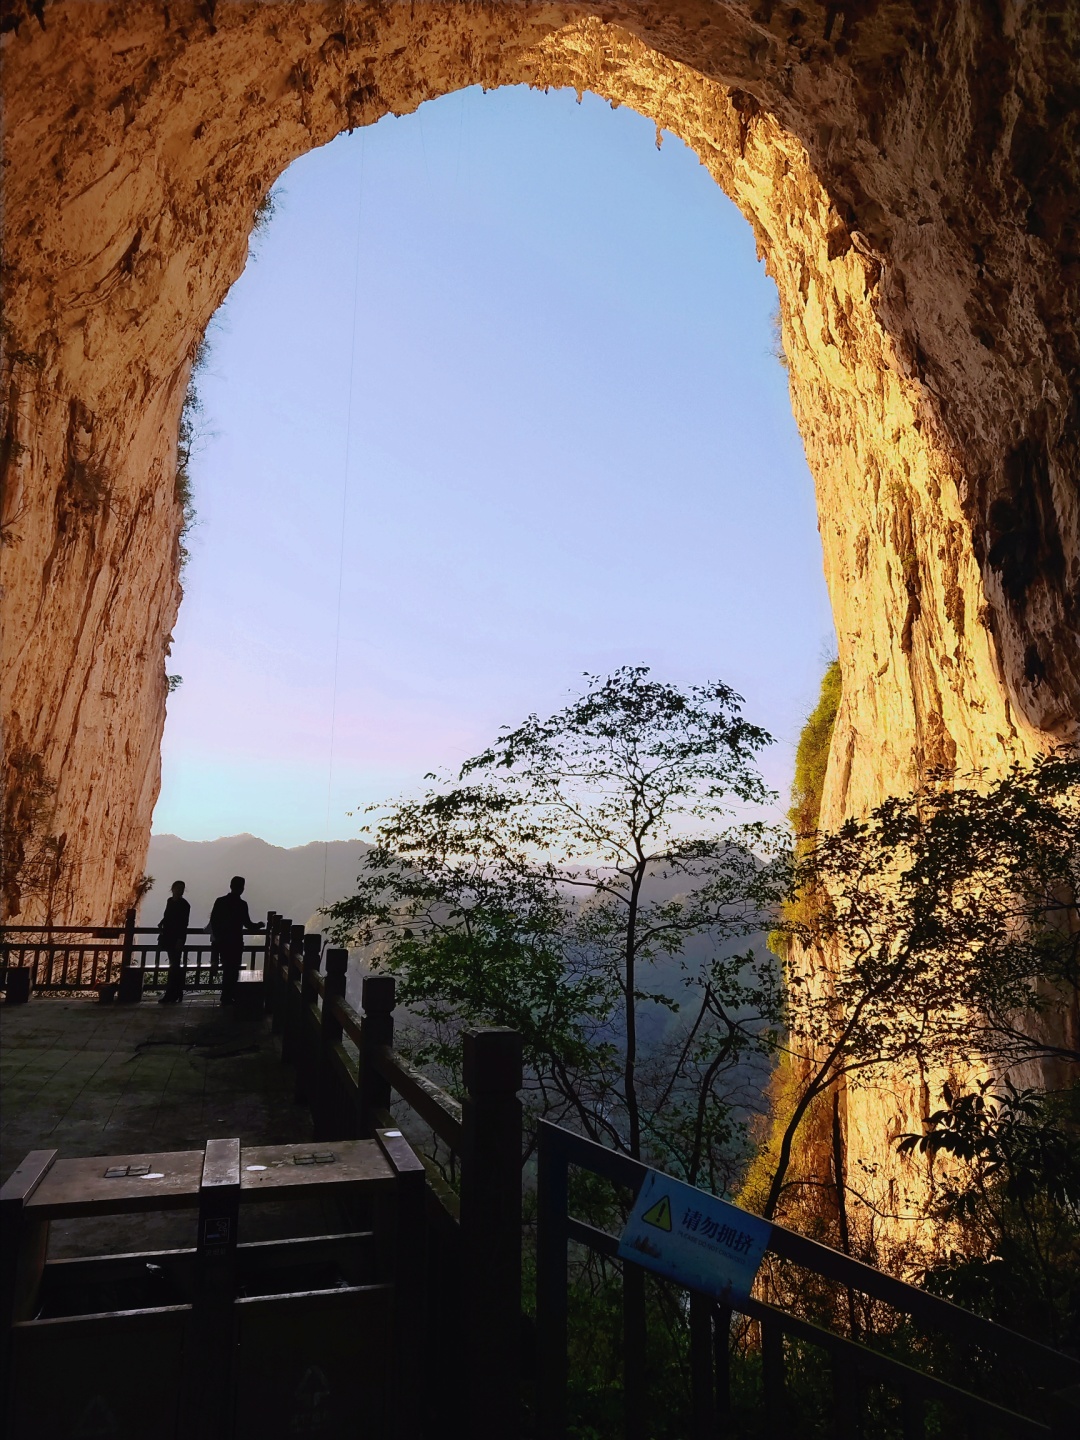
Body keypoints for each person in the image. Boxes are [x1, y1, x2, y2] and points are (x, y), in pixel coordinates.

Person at [209, 875, 264, 1005]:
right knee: (233, 970)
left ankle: (226, 996)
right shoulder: (242, 904)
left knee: (227, 968)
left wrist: (218, 937)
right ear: (242, 888)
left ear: (230, 886)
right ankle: (229, 996)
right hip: (236, 942)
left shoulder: (220, 901)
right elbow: (248, 924)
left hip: (222, 942)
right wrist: (259, 925)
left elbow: (214, 921)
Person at [157, 880, 190, 1004]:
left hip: (177, 938)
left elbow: (184, 923)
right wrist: (162, 923)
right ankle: (176, 992)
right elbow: (167, 916)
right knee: (174, 965)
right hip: (169, 936)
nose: (180, 890)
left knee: (174, 966)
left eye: (182, 888)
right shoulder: (170, 901)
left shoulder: (185, 905)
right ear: (173, 889)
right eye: (178, 888)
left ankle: (172, 993)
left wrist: (180, 940)